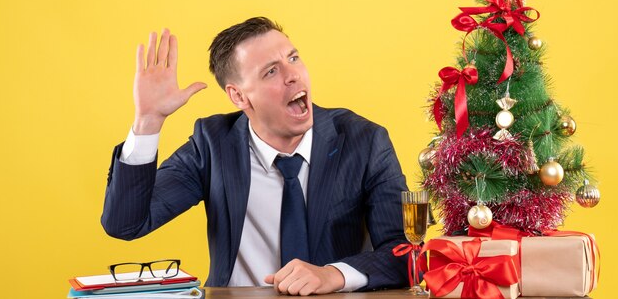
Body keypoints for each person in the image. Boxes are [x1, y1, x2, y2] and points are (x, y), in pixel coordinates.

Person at [101, 17, 409, 295]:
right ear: (239, 96)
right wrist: (148, 121)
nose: (293, 76)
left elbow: (406, 253)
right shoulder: (212, 144)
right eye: (271, 71)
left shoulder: (364, 141)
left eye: (293, 58)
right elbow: (125, 224)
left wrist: (333, 275)